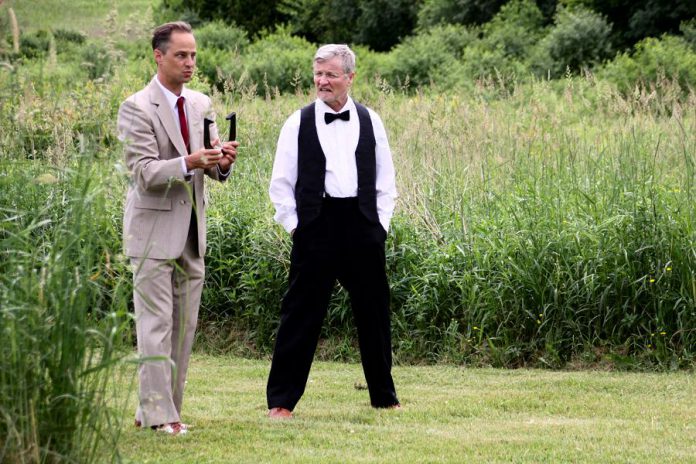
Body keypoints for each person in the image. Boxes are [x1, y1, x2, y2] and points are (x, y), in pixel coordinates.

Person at [266, 44, 400, 419]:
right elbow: (280, 183)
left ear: (350, 78)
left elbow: (386, 180)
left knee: (374, 313)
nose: (322, 82)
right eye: (318, 74)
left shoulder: (372, 120)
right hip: (316, 224)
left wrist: (380, 226)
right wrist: (298, 228)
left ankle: (384, 396)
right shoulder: (297, 122)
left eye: (330, 75)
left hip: (362, 223)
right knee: (300, 314)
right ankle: (281, 401)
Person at [117, 21, 238, 435]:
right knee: (155, 327)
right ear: (158, 55)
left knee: (183, 329)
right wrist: (190, 162)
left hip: (192, 232)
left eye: (193, 56)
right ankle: (162, 417)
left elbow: (212, 166)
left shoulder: (202, 103)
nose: (189, 63)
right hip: (151, 232)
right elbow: (145, 173)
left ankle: (158, 410)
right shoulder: (136, 106)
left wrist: (222, 162)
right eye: (181, 55)